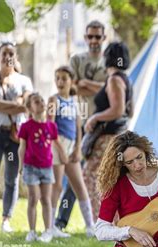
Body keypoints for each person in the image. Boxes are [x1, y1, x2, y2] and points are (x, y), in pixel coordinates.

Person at [54, 20, 108, 232]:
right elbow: (70, 87)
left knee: (95, 174)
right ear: (85, 38)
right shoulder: (76, 59)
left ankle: (99, 221)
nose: (94, 40)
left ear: (104, 38)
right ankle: (60, 221)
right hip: (77, 123)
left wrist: (86, 84)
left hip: (101, 125)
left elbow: (110, 90)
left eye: (98, 36)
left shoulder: (110, 62)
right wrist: (94, 87)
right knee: (74, 172)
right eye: (90, 36)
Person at [83, 41, 133, 221]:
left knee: (90, 175)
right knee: (113, 179)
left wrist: (94, 118)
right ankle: (117, 220)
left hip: (108, 137)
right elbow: (129, 111)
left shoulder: (114, 80)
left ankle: (103, 219)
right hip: (119, 135)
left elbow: (118, 109)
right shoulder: (125, 79)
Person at [47, 66, 94, 238]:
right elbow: (50, 127)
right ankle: (50, 226)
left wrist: (77, 149)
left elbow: (78, 128)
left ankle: (90, 226)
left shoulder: (76, 102)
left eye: (64, 78)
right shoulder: (53, 100)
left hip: (72, 147)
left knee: (79, 186)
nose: (60, 82)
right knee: (57, 185)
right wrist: (61, 150)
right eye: (57, 78)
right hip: (57, 144)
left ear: (71, 81)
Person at [0, 41, 33, 233]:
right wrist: (15, 105)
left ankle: (6, 219)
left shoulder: (24, 81)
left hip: (16, 135)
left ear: (15, 57)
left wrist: (2, 104)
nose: (8, 56)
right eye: (4, 53)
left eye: (11, 53)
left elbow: (27, 105)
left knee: (12, 178)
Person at [18, 93, 67, 242]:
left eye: (41, 100)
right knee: (33, 198)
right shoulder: (26, 126)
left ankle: (47, 231)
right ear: (30, 107)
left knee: (46, 199)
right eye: (36, 102)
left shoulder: (51, 126)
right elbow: (22, 148)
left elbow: (56, 142)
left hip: (47, 168)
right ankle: (32, 232)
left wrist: (63, 155)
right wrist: (21, 166)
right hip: (30, 167)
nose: (40, 103)